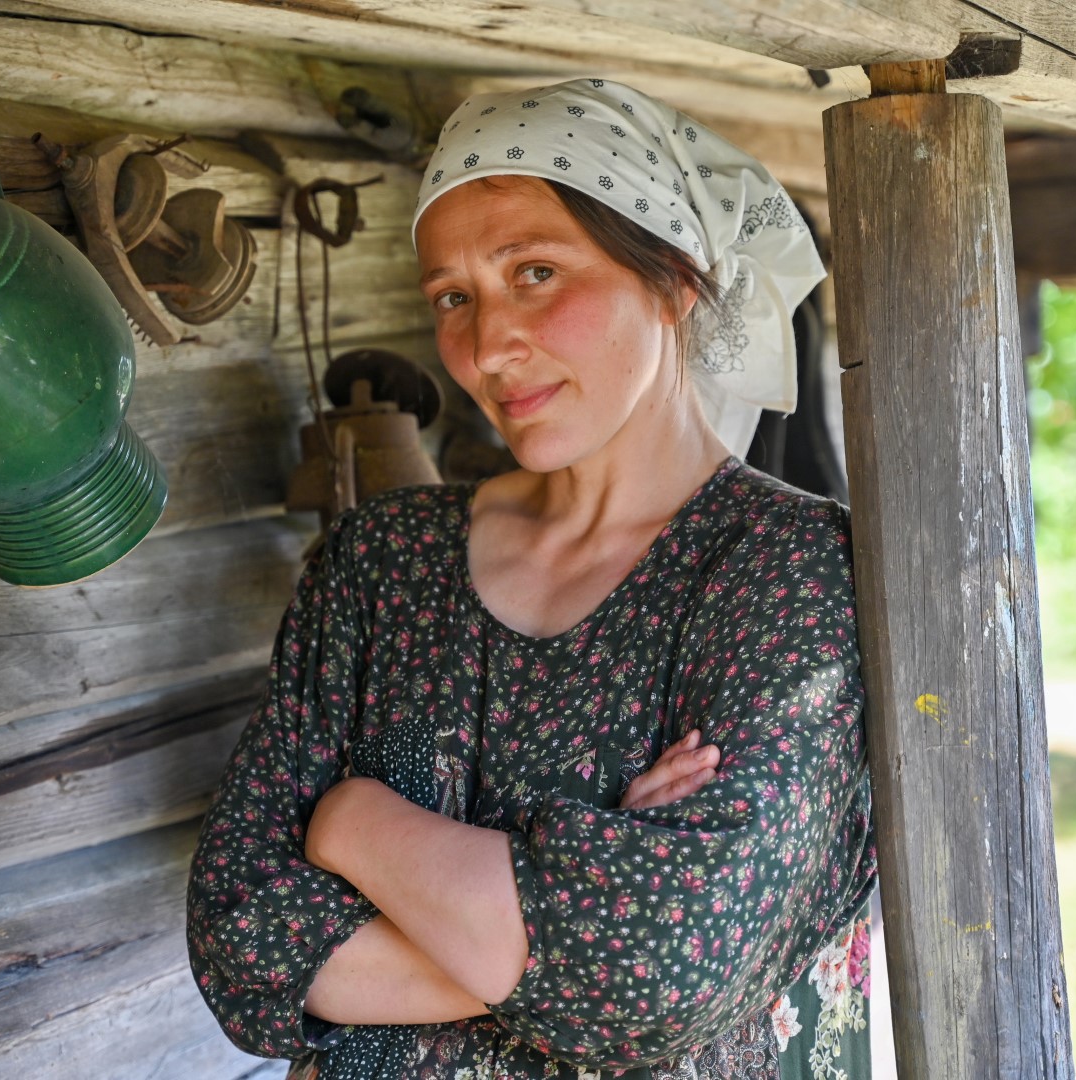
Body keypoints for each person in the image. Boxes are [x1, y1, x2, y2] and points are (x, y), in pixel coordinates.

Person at [187, 78, 878, 1080]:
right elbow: (241, 944)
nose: (487, 346)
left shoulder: (781, 569)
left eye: (537, 272)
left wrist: (355, 824)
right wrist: (560, 913)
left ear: (675, 278)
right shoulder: (385, 562)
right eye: (453, 297)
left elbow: (660, 975)